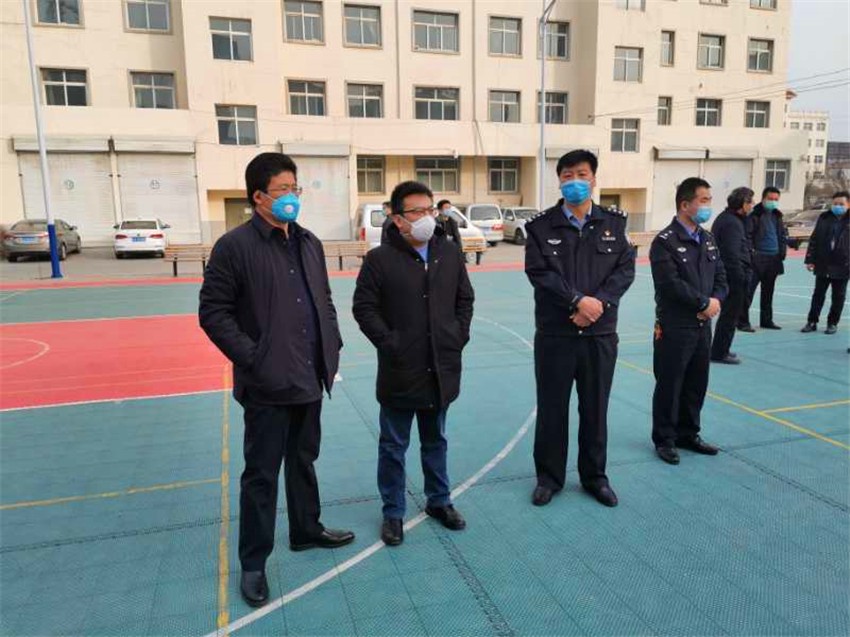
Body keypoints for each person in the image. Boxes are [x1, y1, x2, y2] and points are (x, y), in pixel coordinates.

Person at [199, 152, 355, 608]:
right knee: (262, 475)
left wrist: (331, 343)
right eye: (283, 189)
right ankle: (254, 563)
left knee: (304, 459)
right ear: (258, 197)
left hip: (309, 375)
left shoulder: (309, 242)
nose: (292, 197)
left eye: (295, 188)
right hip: (267, 384)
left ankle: (306, 530)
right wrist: (256, 358)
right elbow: (213, 313)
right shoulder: (234, 247)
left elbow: (323, 299)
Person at [353, 181, 475, 546]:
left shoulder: (448, 251)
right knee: (393, 445)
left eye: (430, 210)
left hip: (441, 366)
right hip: (401, 369)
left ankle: (440, 501)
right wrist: (391, 343)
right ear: (397, 218)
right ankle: (393, 511)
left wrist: (457, 335)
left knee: (436, 439)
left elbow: (464, 299)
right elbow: (364, 308)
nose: (426, 218)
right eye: (416, 211)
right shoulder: (379, 260)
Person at [524, 149, 635, 508]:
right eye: (567, 175)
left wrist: (597, 304)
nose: (575, 181)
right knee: (552, 408)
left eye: (582, 174)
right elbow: (540, 273)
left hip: (600, 334)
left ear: (594, 179)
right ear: (559, 181)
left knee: (595, 408)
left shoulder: (614, 224)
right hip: (556, 335)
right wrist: (576, 301)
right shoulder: (540, 227)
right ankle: (549, 478)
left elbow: (624, 271)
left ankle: (595, 477)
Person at [650, 177, 728, 466]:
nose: (708, 206)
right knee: (670, 384)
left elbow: (721, 276)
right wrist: (703, 303)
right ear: (685, 205)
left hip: (702, 326)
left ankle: (688, 433)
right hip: (675, 325)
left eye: (709, 200)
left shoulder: (708, 239)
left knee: (697, 382)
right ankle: (665, 439)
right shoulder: (665, 242)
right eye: (703, 200)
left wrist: (716, 299)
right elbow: (670, 284)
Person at [710, 187, 754, 364]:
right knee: (730, 316)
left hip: (729, 275)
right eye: (750, 202)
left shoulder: (730, 219)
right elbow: (732, 254)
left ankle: (720, 349)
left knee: (729, 315)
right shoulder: (732, 223)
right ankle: (720, 352)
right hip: (733, 277)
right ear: (742, 204)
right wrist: (740, 277)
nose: (752, 205)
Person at [801, 191, 850, 334]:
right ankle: (812, 321)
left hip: (843, 264)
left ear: (848, 204)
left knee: (838, 296)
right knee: (818, 294)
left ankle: (832, 323)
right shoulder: (824, 218)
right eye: (835, 203)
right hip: (823, 263)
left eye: (841, 204)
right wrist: (810, 259)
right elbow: (814, 239)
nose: (837, 206)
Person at [740, 186, 787, 330]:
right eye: (770, 198)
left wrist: (782, 252)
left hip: (773, 259)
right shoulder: (754, 215)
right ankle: (742, 322)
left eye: (776, 199)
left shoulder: (777, 215)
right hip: (757, 259)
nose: (773, 201)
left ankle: (766, 320)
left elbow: (782, 235)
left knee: (768, 292)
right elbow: (747, 236)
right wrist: (752, 253)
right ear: (763, 198)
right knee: (748, 292)